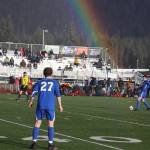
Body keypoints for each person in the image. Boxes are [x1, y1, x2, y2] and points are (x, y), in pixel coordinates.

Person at [28, 67, 63, 150]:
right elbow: (58, 95)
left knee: (37, 123)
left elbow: (34, 93)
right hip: (50, 106)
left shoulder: (39, 82)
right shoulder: (55, 82)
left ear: (44, 73)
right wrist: (60, 105)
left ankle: (34, 143)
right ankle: (50, 145)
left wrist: (31, 102)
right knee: (51, 124)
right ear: (52, 73)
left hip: (41, 105)